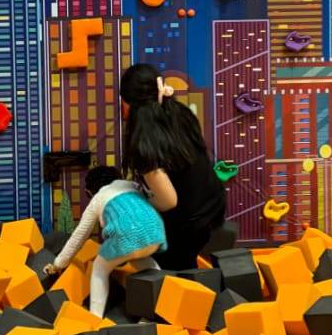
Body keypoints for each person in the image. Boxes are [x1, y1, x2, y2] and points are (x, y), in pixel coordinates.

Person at [119, 63, 226, 271]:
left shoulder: (144, 141)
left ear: (129, 104)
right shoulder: (180, 113)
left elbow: (168, 201)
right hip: (213, 205)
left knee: (158, 265)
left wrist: (140, 200)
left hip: (190, 225)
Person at [43, 165, 166, 316]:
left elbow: (79, 236)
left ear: (90, 191)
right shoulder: (132, 185)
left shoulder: (98, 198)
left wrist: (58, 264)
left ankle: (95, 317)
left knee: (99, 269)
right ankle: (162, 305)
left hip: (126, 236)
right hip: (154, 232)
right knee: (144, 262)